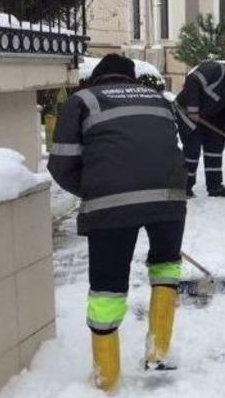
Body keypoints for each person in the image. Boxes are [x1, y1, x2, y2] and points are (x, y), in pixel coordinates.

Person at [48, 54, 187, 391]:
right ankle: (158, 352)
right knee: (166, 268)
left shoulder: (82, 101)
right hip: (169, 198)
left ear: (97, 77)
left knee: (107, 288)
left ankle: (106, 377)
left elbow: (62, 165)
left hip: (111, 206)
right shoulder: (159, 99)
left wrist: (95, 190)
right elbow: (172, 145)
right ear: (131, 79)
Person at [176, 60, 225, 198]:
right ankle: (184, 187)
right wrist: (193, 108)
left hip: (211, 118)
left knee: (215, 147)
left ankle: (215, 186)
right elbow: (192, 81)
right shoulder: (216, 70)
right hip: (187, 111)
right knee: (192, 147)